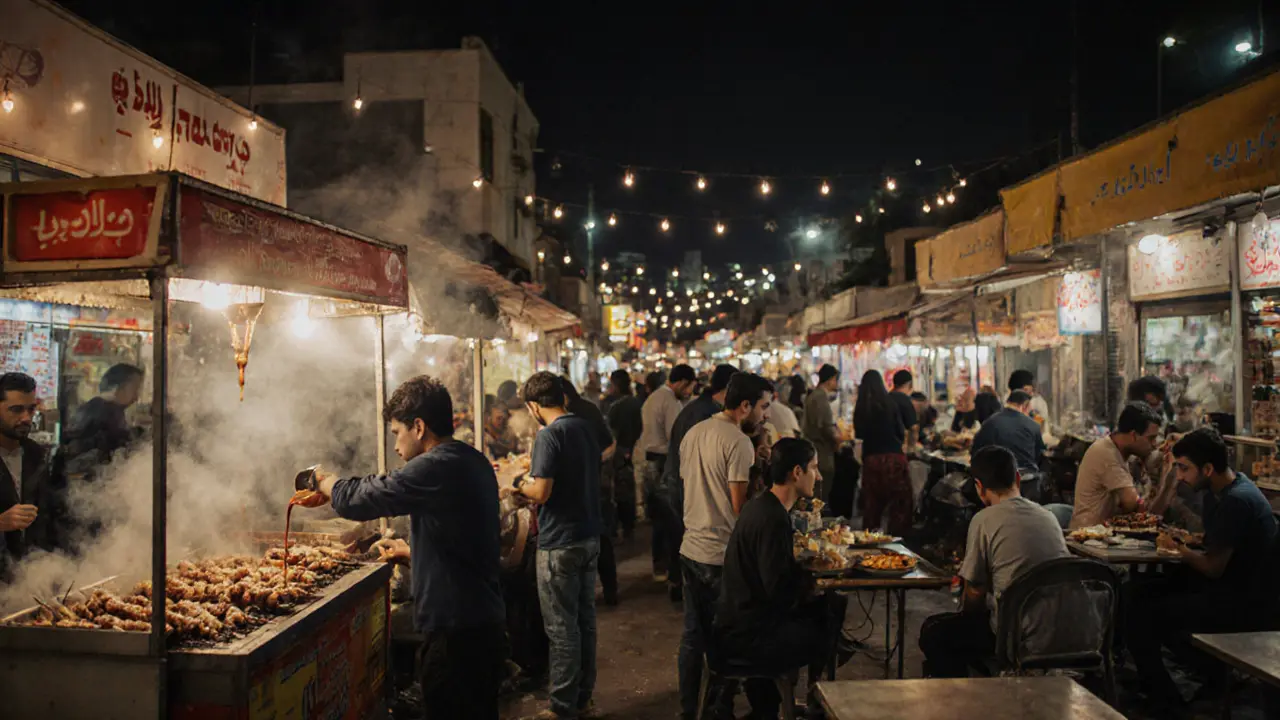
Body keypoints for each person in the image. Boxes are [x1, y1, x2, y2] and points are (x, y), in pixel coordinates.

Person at [299, 376, 506, 719]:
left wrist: (323, 481)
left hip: (457, 634)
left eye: (397, 432)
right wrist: (412, 555)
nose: (395, 444)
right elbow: (463, 544)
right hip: (478, 624)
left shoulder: (436, 465)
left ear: (419, 427)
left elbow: (365, 498)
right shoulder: (470, 459)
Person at [1127, 427, 1279, 706]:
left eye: (1184, 469)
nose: (1181, 476)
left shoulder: (1237, 500)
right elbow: (1213, 544)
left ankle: (1168, 702)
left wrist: (1179, 549)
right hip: (1224, 588)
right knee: (1136, 594)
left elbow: (1213, 567)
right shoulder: (1220, 492)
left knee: (1143, 617)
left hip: (1243, 603)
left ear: (1208, 468)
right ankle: (1205, 682)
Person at [715, 438, 848, 715]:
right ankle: (815, 699)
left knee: (827, 609)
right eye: (814, 468)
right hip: (748, 634)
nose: (819, 475)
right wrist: (811, 584)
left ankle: (770, 701)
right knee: (829, 618)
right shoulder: (772, 517)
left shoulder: (762, 505)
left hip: (738, 620)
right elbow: (777, 591)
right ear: (796, 472)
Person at [918, 446, 1070, 678]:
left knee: (934, 633)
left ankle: (966, 702)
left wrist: (967, 611)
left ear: (979, 487)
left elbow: (975, 593)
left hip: (1015, 636)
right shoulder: (1048, 516)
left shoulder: (984, 519)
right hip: (1063, 630)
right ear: (1018, 478)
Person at [677, 372, 773, 720]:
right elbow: (739, 506)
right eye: (762, 407)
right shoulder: (737, 441)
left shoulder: (694, 433)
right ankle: (718, 710)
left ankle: (690, 709)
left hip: (691, 547)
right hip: (720, 553)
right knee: (727, 637)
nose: (764, 415)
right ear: (745, 405)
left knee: (693, 636)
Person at [511, 372, 604, 720]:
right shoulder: (583, 427)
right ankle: (583, 699)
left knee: (562, 629)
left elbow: (541, 492)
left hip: (559, 543)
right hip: (588, 536)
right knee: (585, 623)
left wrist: (520, 484)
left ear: (534, 406)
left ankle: (562, 707)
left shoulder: (549, 436)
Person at [561, 377, 618, 607]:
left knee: (591, 537)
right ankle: (609, 590)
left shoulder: (573, 415)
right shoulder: (588, 409)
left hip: (585, 485)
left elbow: (608, 444)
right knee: (598, 536)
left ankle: (588, 594)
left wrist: (592, 463)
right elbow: (610, 444)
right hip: (592, 482)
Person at [637, 365, 696, 582]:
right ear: (682, 382)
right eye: (690, 387)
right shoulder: (670, 401)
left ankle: (659, 566)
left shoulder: (653, 397)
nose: (689, 392)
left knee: (659, 517)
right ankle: (672, 571)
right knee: (671, 518)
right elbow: (677, 434)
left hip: (650, 460)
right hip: (663, 461)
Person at [1068, 402, 1164, 529]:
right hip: (1088, 537)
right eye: (1151, 438)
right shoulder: (1106, 454)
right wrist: (1166, 479)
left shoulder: (1120, 452)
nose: (1154, 444)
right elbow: (1132, 504)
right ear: (1133, 435)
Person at [0, 372, 55, 582]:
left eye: (31, 409)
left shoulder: (37, 454)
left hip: (27, 576)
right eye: (16, 410)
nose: (26, 418)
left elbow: (48, 518)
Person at [58, 363, 144, 476]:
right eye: (135, 389)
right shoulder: (103, 410)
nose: (136, 397)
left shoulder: (104, 408)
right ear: (119, 387)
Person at [854, 370, 912, 536]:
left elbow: (859, 440)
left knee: (872, 507)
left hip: (872, 461)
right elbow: (901, 432)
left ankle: (870, 542)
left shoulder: (861, 408)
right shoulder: (890, 403)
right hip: (894, 459)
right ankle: (897, 543)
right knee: (900, 506)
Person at [604, 369, 643, 542]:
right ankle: (628, 526)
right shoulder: (635, 402)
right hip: (632, 449)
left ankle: (623, 528)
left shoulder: (617, 407)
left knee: (620, 492)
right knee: (627, 490)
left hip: (620, 452)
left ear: (616, 385)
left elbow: (611, 433)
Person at [970, 391, 1046, 473]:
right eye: (1029, 410)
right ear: (1024, 406)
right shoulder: (1034, 425)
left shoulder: (990, 423)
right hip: (1029, 480)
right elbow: (1039, 455)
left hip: (1000, 480)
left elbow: (976, 452)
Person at [802, 364, 840, 501]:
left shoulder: (815, 396)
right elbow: (826, 427)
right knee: (820, 494)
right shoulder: (820, 397)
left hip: (817, 449)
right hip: (821, 452)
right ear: (830, 379)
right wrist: (837, 441)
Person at [889, 370, 920, 452]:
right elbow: (913, 428)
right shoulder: (904, 400)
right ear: (909, 384)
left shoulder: (885, 398)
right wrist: (911, 448)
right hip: (898, 450)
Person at [482, 394, 517, 460]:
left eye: (503, 419)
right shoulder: (481, 436)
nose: (501, 422)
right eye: (499, 418)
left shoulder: (508, 433)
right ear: (488, 417)